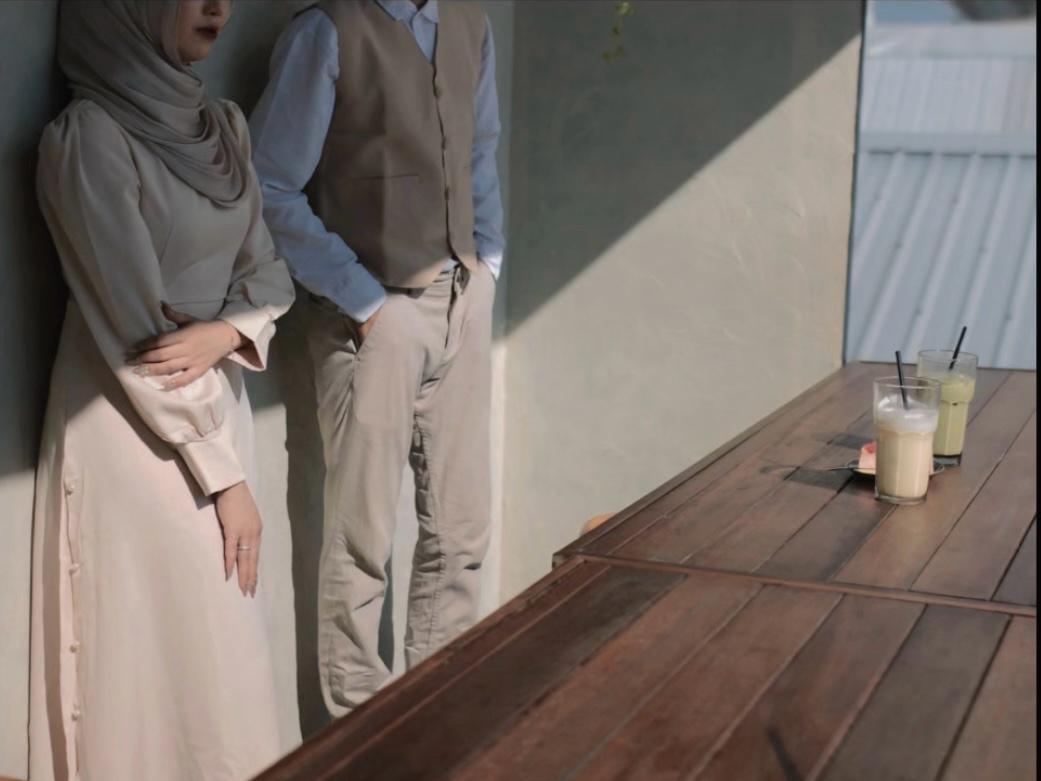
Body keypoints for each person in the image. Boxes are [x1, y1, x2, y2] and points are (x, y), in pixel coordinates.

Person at [29, 1, 297, 778]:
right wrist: (224, 476)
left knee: (224, 655)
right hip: (133, 427)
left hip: (216, 407)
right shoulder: (89, 139)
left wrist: (226, 333)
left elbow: (269, 273)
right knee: (164, 655)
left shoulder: (223, 128)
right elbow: (137, 329)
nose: (217, 6)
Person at [251, 0, 505, 715]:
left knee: (461, 532)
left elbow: (480, 151)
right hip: (370, 314)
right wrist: (364, 301)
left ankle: (439, 725)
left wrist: (486, 264)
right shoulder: (326, 30)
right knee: (361, 541)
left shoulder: (471, 23)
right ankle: (359, 741)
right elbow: (267, 183)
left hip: (461, 297)